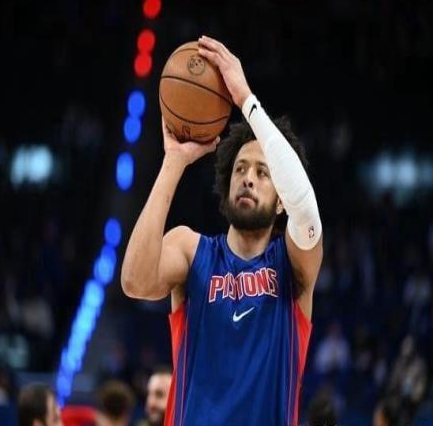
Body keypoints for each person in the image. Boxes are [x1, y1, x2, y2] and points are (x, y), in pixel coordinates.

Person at [121, 35, 323, 425]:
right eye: (241, 169)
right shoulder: (190, 249)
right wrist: (174, 162)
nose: (248, 178)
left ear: (281, 199)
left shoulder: (293, 263)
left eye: (263, 173)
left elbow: (306, 207)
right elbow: (134, 281)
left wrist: (246, 100)